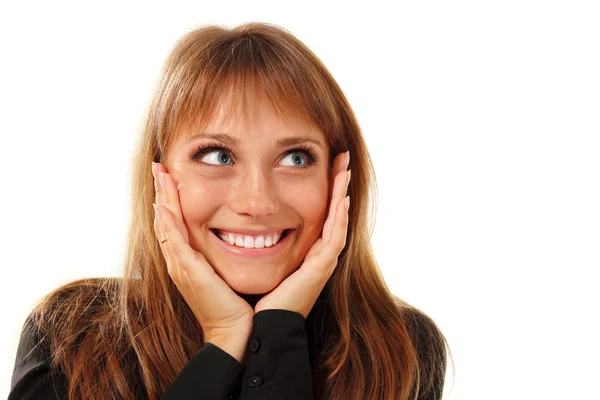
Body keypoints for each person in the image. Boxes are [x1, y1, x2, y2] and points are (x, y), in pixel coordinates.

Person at [9, 22, 451, 400]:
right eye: (218, 156)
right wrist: (223, 340)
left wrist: (277, 331)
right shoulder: (72, 337)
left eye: (295, 158)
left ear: (339, 177)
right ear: (159, 174)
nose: (256, 203)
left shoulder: (399, 348)